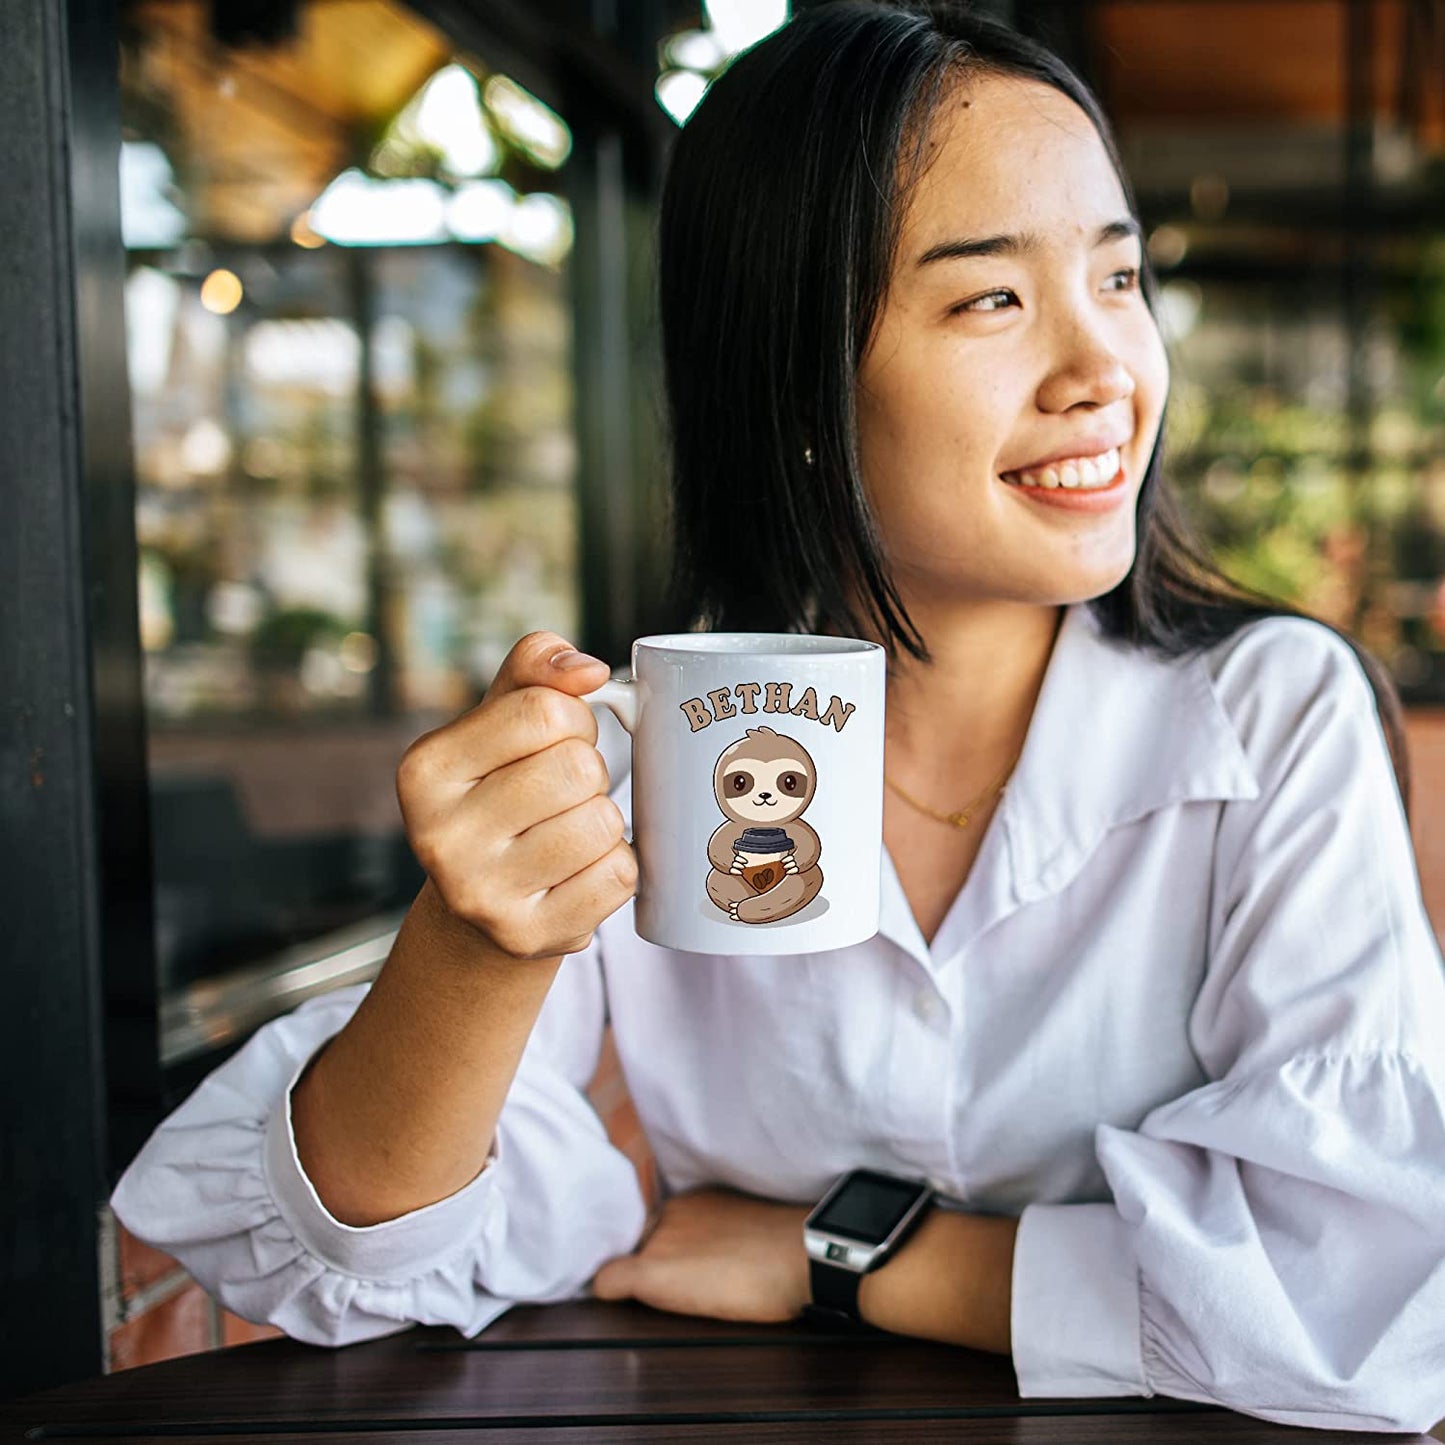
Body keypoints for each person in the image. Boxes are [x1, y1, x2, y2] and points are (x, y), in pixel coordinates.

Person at [112, 1, 1445, 1432]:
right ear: (797, 379)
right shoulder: (662, 740)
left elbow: (1371, 1289)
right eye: (990, 297)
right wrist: (479, 939)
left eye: (1117, 278)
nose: (1103, 369)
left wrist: (855, 1255)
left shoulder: (1262, 716)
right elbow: (338, 1261)